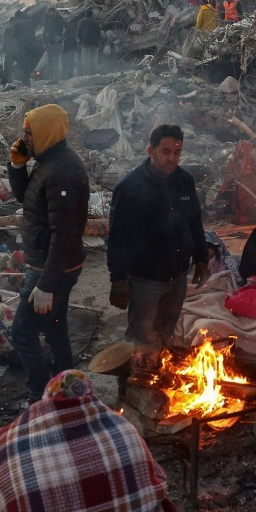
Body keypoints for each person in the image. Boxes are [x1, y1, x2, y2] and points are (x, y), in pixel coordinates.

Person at [0, 370, 182, 512]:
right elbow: (158, 483)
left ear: (47, 401)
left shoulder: (3, 443)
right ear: (89, 398)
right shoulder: (124, 430)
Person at [107, 124, 209, 371]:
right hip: (146, 278)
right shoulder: (129, 188)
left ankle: (157, 379)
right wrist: (118, 280)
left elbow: (194, 221)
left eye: (177, 152)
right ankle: (131, 389)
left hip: (178, 274)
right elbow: (116, 238)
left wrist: (201, 256)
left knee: (165, 332)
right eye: (166, 151)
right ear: (151, 150)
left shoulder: (184, 181)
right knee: (140, 339)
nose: (172, 158)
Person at [7, 104, 89, 403]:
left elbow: (64, 237)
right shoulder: (49, 161)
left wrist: (46, 286)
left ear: (46, 133)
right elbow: (27, 199)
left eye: (29, 133)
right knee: (55, 328)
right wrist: (17, 167)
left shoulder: (62, 173)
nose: (24, 138)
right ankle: (66, 384)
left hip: (51, 269)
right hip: (52, 265)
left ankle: (41, 393)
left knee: (23, 335)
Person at [42, 7, 66, 82]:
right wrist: (45, 43)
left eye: (52, 12)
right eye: (49, 12)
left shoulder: (59, 19)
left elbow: (68, 28)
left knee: (56, 61)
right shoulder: (47, 20)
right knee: (50, 62)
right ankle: (53, 78)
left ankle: (56, 79)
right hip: (49, 43)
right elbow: (44, 32)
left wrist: (61, 37)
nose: (51, 13)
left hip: (57, 43)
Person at [77, 8, 101, 75]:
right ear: (92, 15)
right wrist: (98, 42)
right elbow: (99, 33)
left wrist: (81, 41)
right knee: (94, 60)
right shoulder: (96, 22)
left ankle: (87, 76)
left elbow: (79, 33)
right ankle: (93, 75)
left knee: (86, 60)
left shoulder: (82, 21)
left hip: (86, 43)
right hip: (95, 44)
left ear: (85, 14)